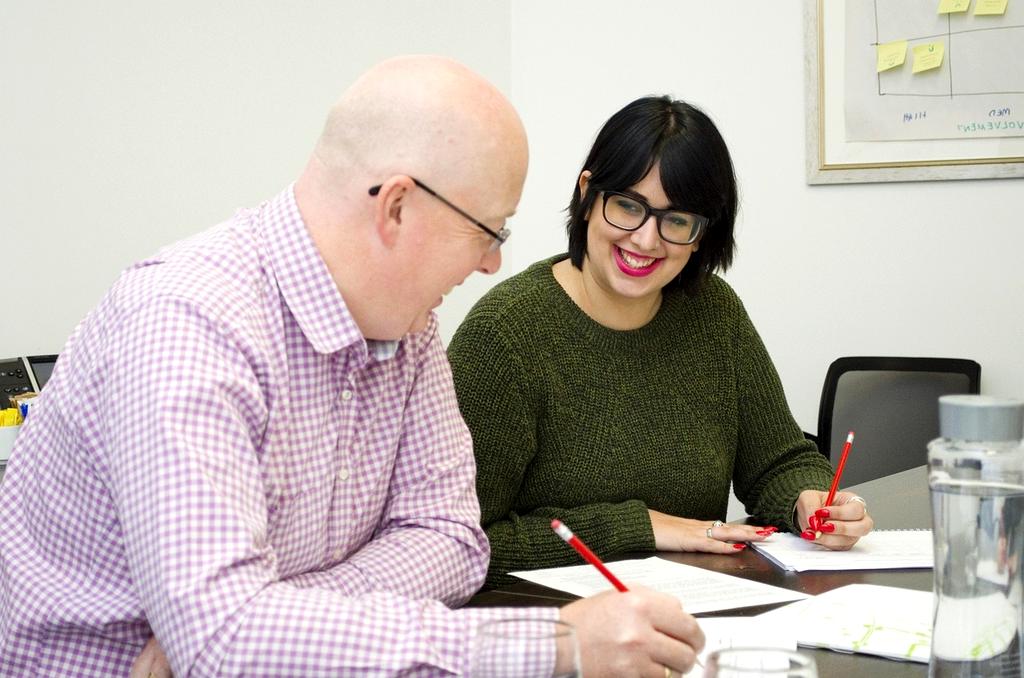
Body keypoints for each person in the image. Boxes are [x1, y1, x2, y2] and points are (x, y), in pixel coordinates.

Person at [0, 59, 705, 677]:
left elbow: (453, 542)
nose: (492, 263)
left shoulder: (408, 325)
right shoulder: (189, 322)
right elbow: (224, 646)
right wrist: (554, 644)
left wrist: (275, 620)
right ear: (397, 206)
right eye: (490, 231)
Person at [448, 96, 875, 589]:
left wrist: (813, 499)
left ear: (701, 235)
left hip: (697, 613)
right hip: (553, 629)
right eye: (628, 206)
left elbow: (779, 460)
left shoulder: (714, 312)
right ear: (588, 194)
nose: (647, 241)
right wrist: (640, 527)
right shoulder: (505, 334)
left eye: (676, 220)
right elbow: (461, 542)